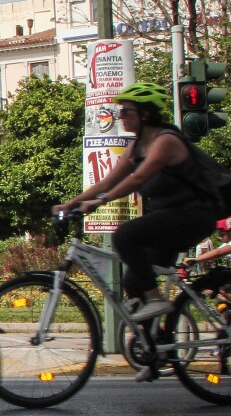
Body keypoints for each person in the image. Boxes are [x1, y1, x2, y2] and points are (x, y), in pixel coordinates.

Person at [54, 82, 216, 324]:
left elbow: (137, 178)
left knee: (124, 235)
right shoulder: (136, 147)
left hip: (194, 215)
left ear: (145, 114)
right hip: (171, 220)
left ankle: (156, 299)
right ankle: (157, 347)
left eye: (126, 112)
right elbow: (105, 183)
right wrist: (68, 205)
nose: (120, 117)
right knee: (133, 280)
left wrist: (99, 203)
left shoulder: (166, 141)